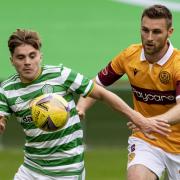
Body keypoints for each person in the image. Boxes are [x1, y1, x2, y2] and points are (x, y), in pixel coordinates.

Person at [0, 29, 169, 180]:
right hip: (31, 169)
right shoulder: (7, 90)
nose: (27, 62)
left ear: (40, 56)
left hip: (68, 170)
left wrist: (137, 117)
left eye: (32, 55)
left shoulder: (60, 75)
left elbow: (102, 93)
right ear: (12, 60)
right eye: (20, 57)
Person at [77, 4, 180, 180]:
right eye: (145, 30)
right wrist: (80, 108)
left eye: (156, 32)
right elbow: (97, 84)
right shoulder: (129, 56)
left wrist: (149, 121)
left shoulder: (177, 64)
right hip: (146, 139)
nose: (149, 38)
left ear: (170, 32)